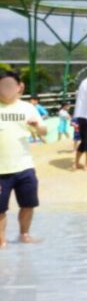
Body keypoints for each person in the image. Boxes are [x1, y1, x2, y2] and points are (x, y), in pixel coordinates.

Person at [0, 70, 46, 247]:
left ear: (20, 87)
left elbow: (44, 131)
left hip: (25, 167)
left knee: (28, 204)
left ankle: (24, 235)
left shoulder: (28, 108)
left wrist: (37, 126)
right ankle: (1, 241)